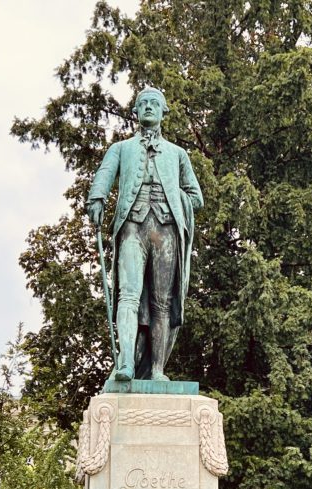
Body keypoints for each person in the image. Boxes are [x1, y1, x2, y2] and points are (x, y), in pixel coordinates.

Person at [86, 86, 204, 383]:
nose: (149, 107)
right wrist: (96, 198)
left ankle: (157, 370)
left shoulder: (178, 154)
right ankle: (125, 361)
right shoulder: (121, 149)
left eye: (155, 103)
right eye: (143, 103)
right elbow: (103, 175)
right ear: (135, 112)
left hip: (165, 231)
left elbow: (196, 197)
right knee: (128, 294)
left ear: (164, 112)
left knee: (162, 302)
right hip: (132, 228)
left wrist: (172, 195)